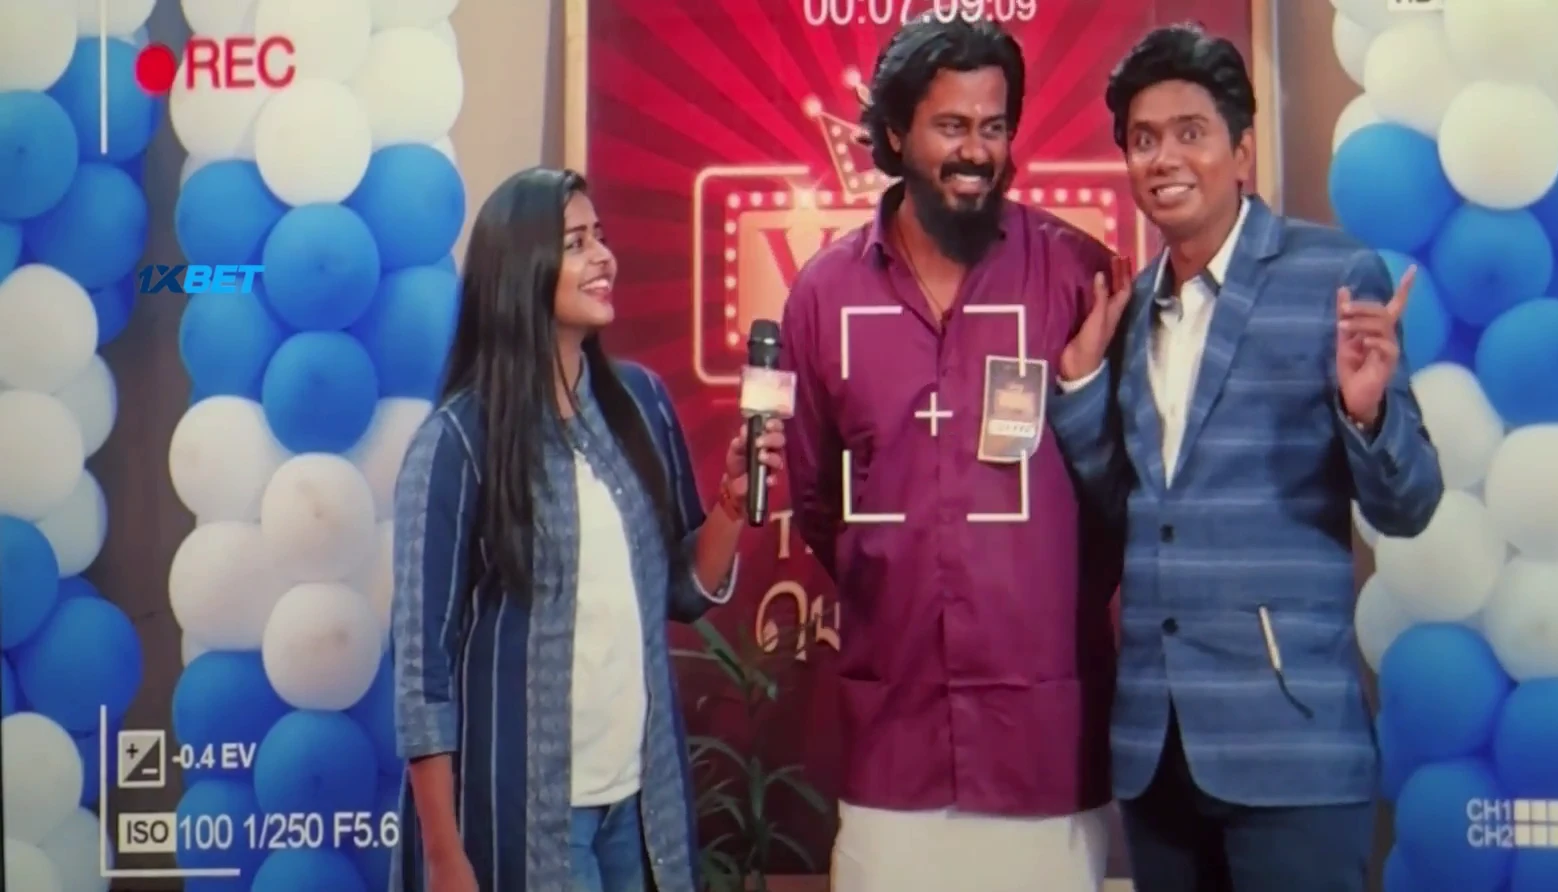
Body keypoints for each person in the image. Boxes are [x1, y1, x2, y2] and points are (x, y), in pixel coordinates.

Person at [1049, 25, 1445, 891]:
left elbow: (1409, 505)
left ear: (1242, 150)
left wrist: (1367, 411)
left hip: (1289, 744)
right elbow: (1131, 511)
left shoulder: (1332, 277)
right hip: (1156, 749)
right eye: (1143, 139)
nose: (1164, 158)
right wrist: (1078, 390)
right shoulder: (1131, 305)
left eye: (1189, 132)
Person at [777, 17, 1122, 892]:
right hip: (895, 741)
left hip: (1045, 744)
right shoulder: (824, 293)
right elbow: (819, 500)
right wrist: (900, 571)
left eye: (994, 127)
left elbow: (1124, 497)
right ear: (896, 134)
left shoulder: (1077, 274)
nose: (977, 152)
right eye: (952, 127)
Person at [388, 167, 784, 892]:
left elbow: (682, 590)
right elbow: (423, 672)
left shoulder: (640, 401)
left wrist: (731, 505)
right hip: (524, 814)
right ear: (522, 270)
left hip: (638, 804)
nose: (604, 258)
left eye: (601, 237)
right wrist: (444, 855)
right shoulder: (458, 442)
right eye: (576, 243)